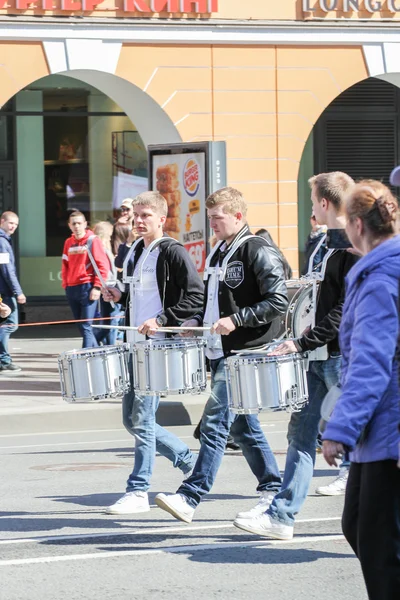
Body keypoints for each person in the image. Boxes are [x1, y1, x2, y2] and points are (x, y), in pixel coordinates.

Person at [234, 171, 357, 540]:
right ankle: (282, 516)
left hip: (337, 355)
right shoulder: (325, 243)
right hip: (318, 354)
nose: (311, 208)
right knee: (300, 434)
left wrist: (302, 341)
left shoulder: (351, 242)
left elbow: (344, 308)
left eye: (312, 200)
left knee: (367, 441)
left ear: (323, 202)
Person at [154, 186, 288, 524]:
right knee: (243, 427)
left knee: (215, 424)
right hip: (222, 349)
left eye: (218, 218)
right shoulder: (220, 252)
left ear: (238, 216)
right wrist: (196, 320)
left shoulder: (257, 249)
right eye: (210, 218)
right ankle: (273, 489)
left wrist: (237, 319)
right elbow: (212, 300)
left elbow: (278, 301)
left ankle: (189, 496)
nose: (212, 223)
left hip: (245, 351)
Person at [101, 191, 204, 515]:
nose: (139, 220)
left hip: (157, 347)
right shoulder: (134, 250)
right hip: (135, 344)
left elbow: (195, 295)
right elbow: (137, 295)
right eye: (137, 215)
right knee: (131, 420)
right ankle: (187, 459)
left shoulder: (172, 250)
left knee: (142, 419)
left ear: (162, 218)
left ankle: (138, 490)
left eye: (146, 215)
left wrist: (161, 320)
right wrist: (119, 295)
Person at [322, 180, 400, 600]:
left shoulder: (379, 277)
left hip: (390, 427)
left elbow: (372, 362)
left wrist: (340, 429)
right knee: (359, 527)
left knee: (378, 543)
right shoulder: (379, 267)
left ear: (354, 224)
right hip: (382, 429)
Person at [61, 211, 109, 348]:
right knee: (82, 326)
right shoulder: (68, 242)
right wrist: (65, 284)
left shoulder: (93, 240)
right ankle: (96, 352)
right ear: (69, 225)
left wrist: (97, 287)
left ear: (85, 224)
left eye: (79, 223)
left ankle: (86, 356)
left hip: (87, 286)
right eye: (73, 223)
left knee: (86, 325)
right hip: (72, 287)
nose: (76, 226)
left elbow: (102, 265)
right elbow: (65, 264)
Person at [0, 211, 26, 374]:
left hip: (4, 290)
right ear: (2, 221)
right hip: (5, 291)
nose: (13, 227)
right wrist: (18, 292)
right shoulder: (2, 241)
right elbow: (6, 269)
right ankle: (4, 360)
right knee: (10, 324)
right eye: (10, 223)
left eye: (15, 225)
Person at [92, 221, 120, 347]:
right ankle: (105, 343)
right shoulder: (102, 248)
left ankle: (107, 343)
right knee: (112, 320)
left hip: (108, 285)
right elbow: (105, 270)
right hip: (109, 285)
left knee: (109, 319)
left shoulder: (103, 247)